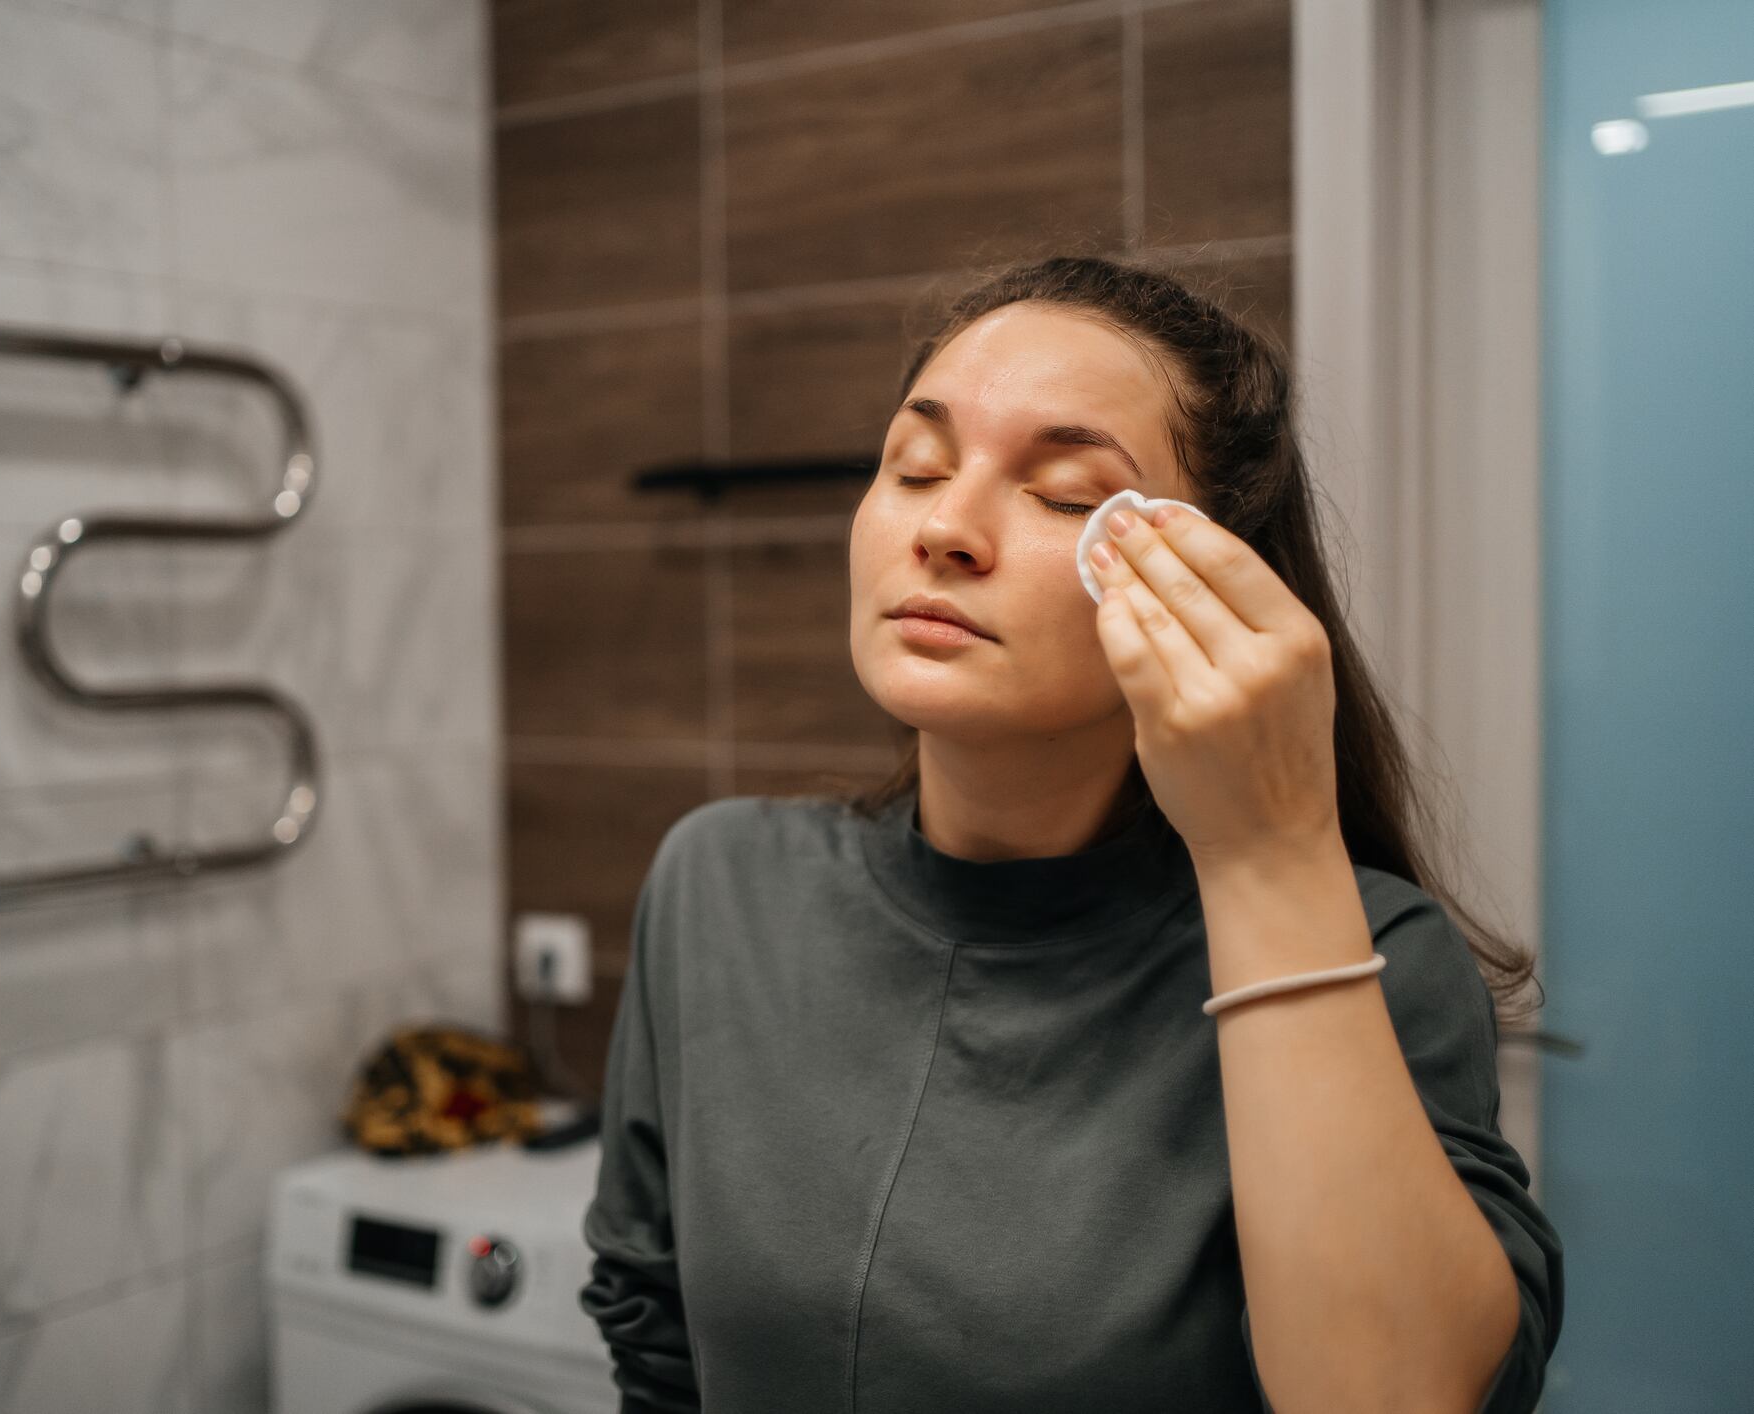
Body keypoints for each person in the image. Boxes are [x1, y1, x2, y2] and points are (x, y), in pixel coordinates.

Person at [576, 254, 1564, 1413]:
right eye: (915, 466)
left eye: (1063, 494)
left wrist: (1269, 853)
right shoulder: (720, 884)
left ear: (1208, 581)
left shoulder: (1371, 955)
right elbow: (659, 1350)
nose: (945, 526)